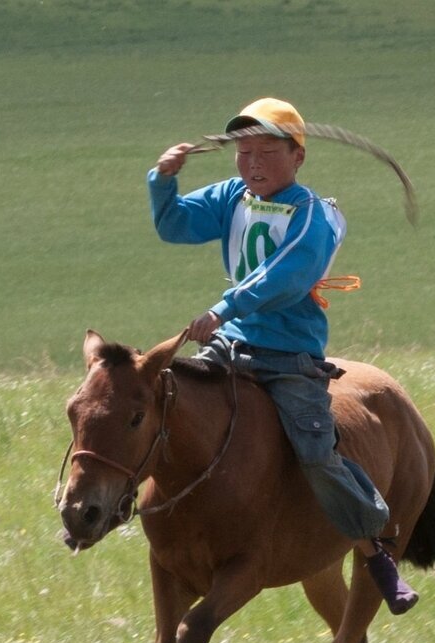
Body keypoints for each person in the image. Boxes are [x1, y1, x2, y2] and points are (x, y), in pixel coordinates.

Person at [149, 98, 416, 614]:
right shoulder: (232, 196)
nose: (252, 162)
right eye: (244, 151)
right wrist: (163, 181)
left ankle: (374, 545)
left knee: (316, 451)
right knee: (165, 408)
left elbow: (286, 275)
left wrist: (224, 308)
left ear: (297, 157)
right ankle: (111, 503)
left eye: (267, 151)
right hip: (230, 345)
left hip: (287, 354)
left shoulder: (314, 213)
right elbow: (174, 225)